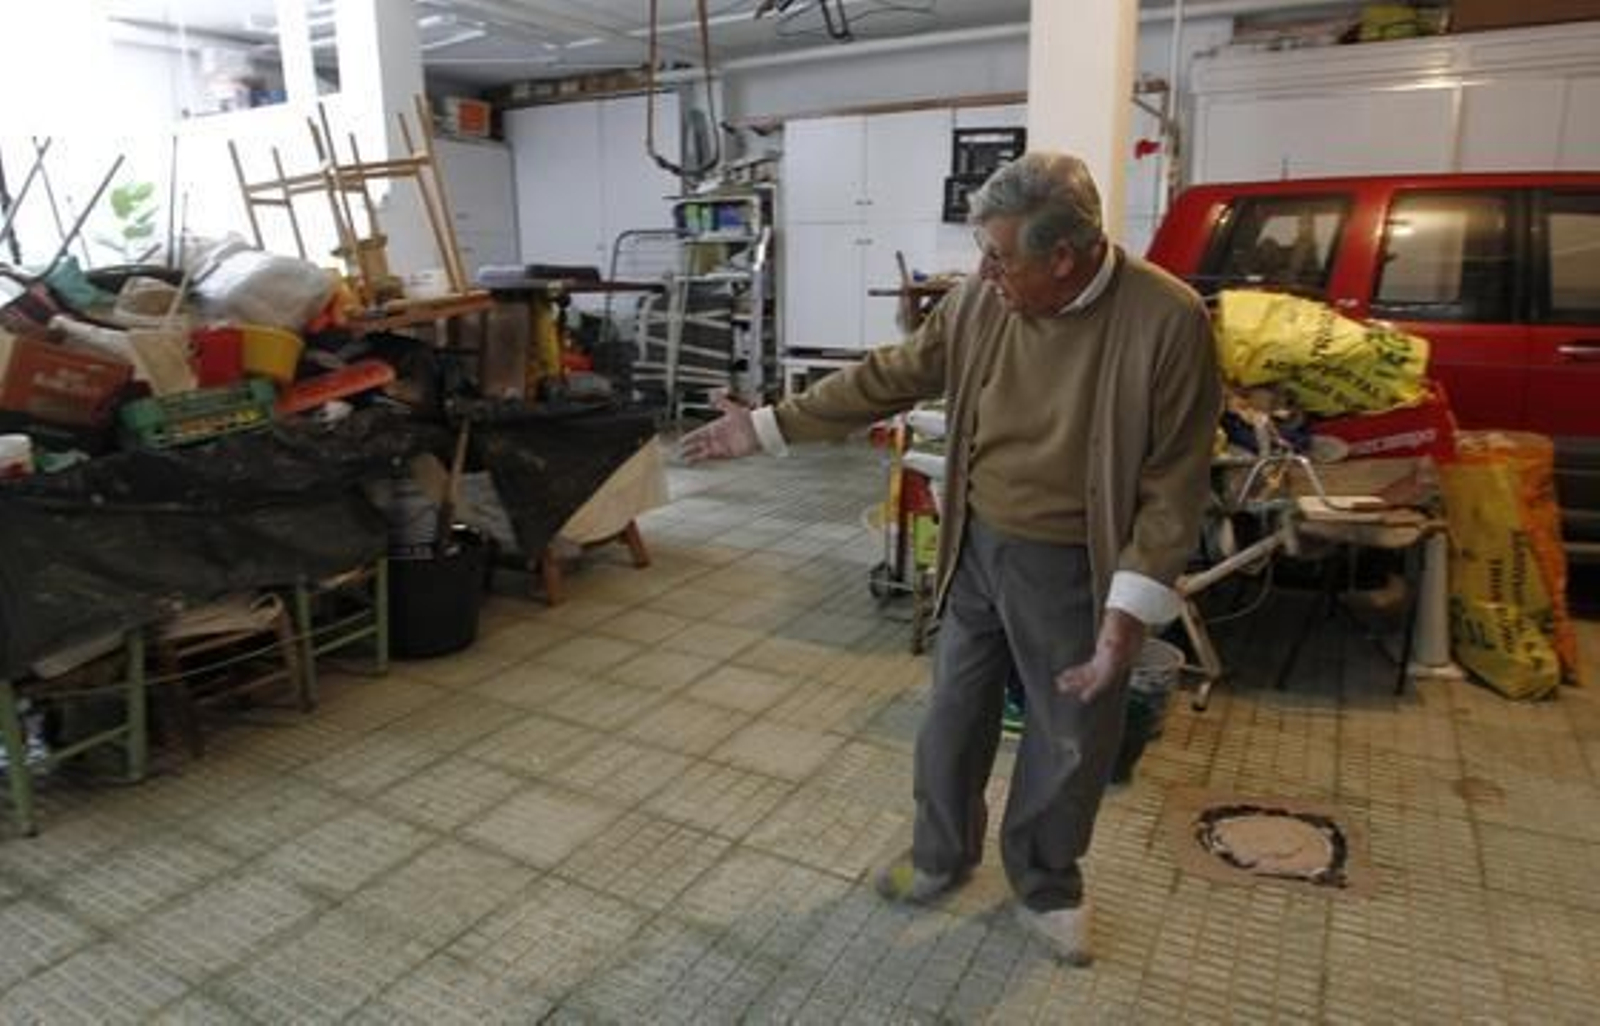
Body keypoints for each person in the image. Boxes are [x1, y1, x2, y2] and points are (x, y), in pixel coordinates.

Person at [680, 152, 1220, 965]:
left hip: (1080, 563)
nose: (983, 272)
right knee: (951, 716)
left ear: (1064, 257)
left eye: (1001, 257)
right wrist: (768, 427)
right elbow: (892, 374)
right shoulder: (980, 303)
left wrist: (1127, 610)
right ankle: (942, 854)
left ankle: (1045, 883)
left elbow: (1175, 476)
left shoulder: (1166, 319)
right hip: (976, 545)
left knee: (1070, 736)